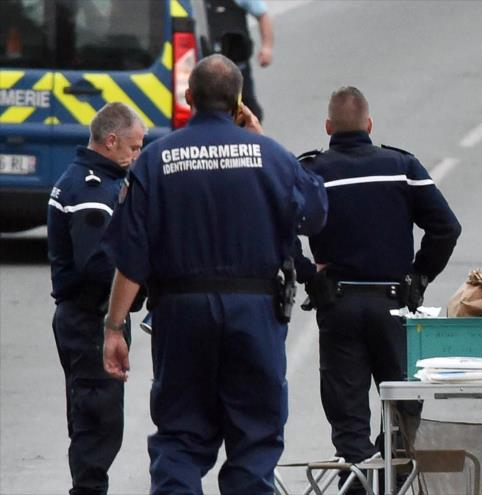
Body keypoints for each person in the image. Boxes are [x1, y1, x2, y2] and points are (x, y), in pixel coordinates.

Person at [100, 54, 327, 494]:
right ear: (239, 102)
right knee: (254, 440)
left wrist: (114, 327)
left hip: (182, 317)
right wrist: (261, 141)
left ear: (189, 98)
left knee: (180, 439)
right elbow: (315, 214)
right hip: (255, 317)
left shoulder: (154, 161)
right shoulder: (270, 157)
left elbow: (131, 258)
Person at [296, 86, 461, 494]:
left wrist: (307, 274)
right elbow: (446, 227)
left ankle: (359, 482)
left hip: (339, 305)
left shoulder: (311, 172)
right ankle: (393, 481)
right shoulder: (401, 166)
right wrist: (419, 276)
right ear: (369, 125)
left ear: (328, 127)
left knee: (349, 420)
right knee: (404, 415)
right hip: (394, 306)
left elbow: (276, 227)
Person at [47, 102, 146, 495]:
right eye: (134, 147)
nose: (137, 155)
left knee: (94, 420)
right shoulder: (91, 190)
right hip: (90, 320)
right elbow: (98, 267)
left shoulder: (93, 179)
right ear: (111, 141)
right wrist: (139, 283)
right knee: (97, 422)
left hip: (83, 320)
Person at [206, 0, 273, 121]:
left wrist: (266, 47)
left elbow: (262, 15)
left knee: (248, 111)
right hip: (205, 70)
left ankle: (252, 138)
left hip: (237, 66)